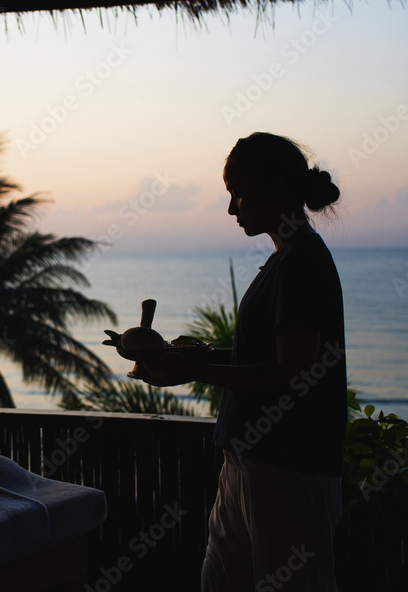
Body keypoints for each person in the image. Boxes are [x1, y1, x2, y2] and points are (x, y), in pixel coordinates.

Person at [131, 132, 346, 591]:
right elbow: (266, 358)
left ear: (277, 188)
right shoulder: (285, 259)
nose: (232, 210)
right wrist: (196, 356)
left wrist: (192, 369)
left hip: (288, 468)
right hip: (249, 463)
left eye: (239, 194)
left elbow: (294, 373)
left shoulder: (303, 263)